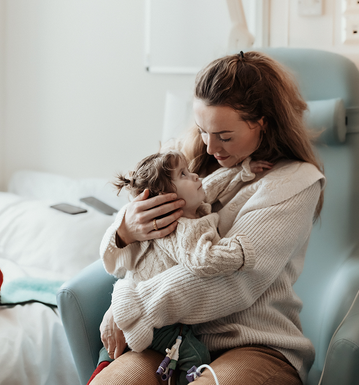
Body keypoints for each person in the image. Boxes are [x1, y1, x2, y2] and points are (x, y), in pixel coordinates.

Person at [94, 51, 325, 385]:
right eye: (203, 130)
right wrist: (124, 231)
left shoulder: (295, 181)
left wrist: (134, 305)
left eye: (225, 136)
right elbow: (127, 262)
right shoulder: (188, 165)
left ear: (263, 122)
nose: (211, 145)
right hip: (166, 337)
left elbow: (232, 280)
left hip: (253, 342)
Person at [90, 150, 271, 384]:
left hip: (139, 306)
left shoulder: (186, 206)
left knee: (110, 355)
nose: (196, 177)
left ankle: (103, 364)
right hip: (156, 323)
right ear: (165, 198)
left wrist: (242, 171)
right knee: (197, 354)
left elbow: (210, 183)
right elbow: (203, 260)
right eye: (185, 174)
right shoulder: (183, 229)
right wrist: (238, 252)